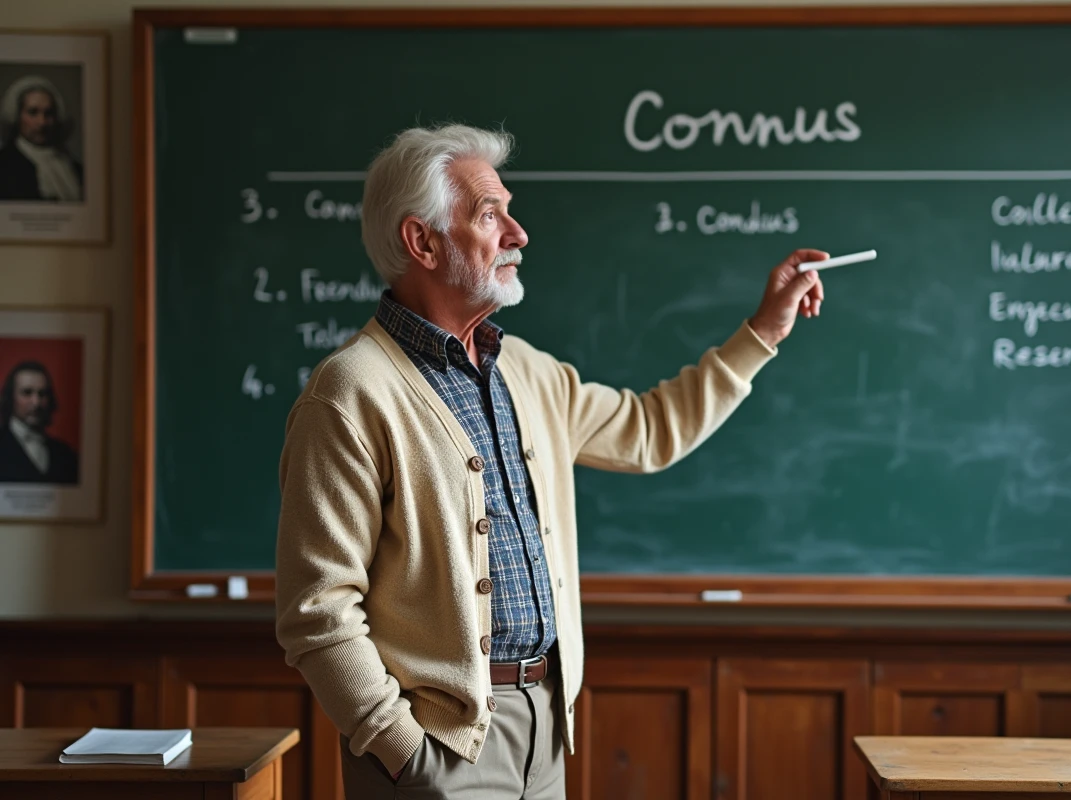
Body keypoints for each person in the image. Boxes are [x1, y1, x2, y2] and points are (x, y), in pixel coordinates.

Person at [275, 124, 827, 800]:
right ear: (422, 242)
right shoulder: (351, 391)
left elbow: (651, 430)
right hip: (437, 745)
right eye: (489, 214)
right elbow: (317, 608)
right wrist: (399, 747)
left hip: (544, 727)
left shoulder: (527, 372)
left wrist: (764, 331)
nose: (518, 233)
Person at [0, 75, 83, 202]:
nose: (42, 122)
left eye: (48, 113)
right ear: (17, 116)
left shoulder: (73, 166)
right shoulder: (4, 164)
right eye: (33, 112)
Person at [0, 360, 79, 484]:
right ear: (10, 397)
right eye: (27, 393)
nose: (36, 403)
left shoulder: (65, 454)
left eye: (42, 394)